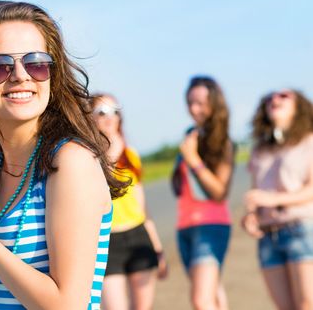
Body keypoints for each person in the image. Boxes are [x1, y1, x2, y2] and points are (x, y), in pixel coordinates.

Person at [0, 0, 126, 309]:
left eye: (36, 63)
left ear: (52, 75)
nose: (20, 75)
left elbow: (67, 305)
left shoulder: (70, 161)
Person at [89, 93, 167, 310]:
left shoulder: (131, 155)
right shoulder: (86, 157)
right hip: (106, 240)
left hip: (137, 234)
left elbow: (142, 207)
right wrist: (112, 152)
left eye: (115, 111)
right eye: (102, 112)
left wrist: (157, 247)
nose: (110, 117)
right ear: (90, 118)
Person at [242, 89, 313, 310]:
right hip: (268, 236)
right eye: (270, 97)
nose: (275, 99)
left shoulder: (309, 141)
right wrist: (251, 217)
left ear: (298, 107)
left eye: (284, 96)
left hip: (301, 228)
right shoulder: (260, 149)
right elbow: (255, 193)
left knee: (306, 304)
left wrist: (272, 199)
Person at [171, 76, 234, 310]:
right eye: (189, 103)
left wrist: (193, 160)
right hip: (184, 227)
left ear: (214, 104)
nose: (193, 109)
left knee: (201, 300)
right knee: (213, 294)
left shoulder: (223, 142)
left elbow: (220, 191)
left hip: (211, 226)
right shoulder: (191, 135)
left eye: (199, 102)